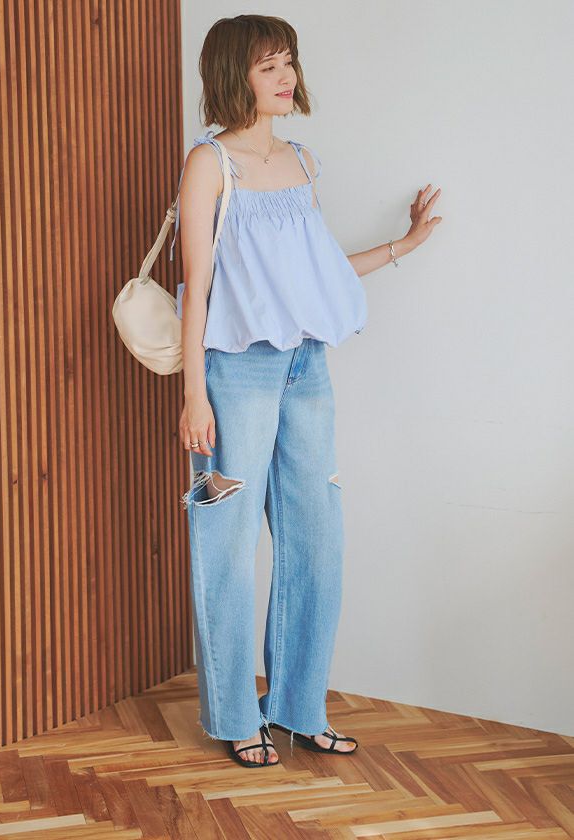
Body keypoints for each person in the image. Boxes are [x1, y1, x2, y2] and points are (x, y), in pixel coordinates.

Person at [173, 14, 442, 768]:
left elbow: (317, 274)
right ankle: (235, 716)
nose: (286, 76)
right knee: (227, 547)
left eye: (288, 61)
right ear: (234, 75)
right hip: (235, 372)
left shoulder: (301, 160)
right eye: (268, 65)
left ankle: (297, 707)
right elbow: (196, 289)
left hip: (305, 367)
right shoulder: (208, 164)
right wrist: (194, 396)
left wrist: (404, 246)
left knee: (316, 541)